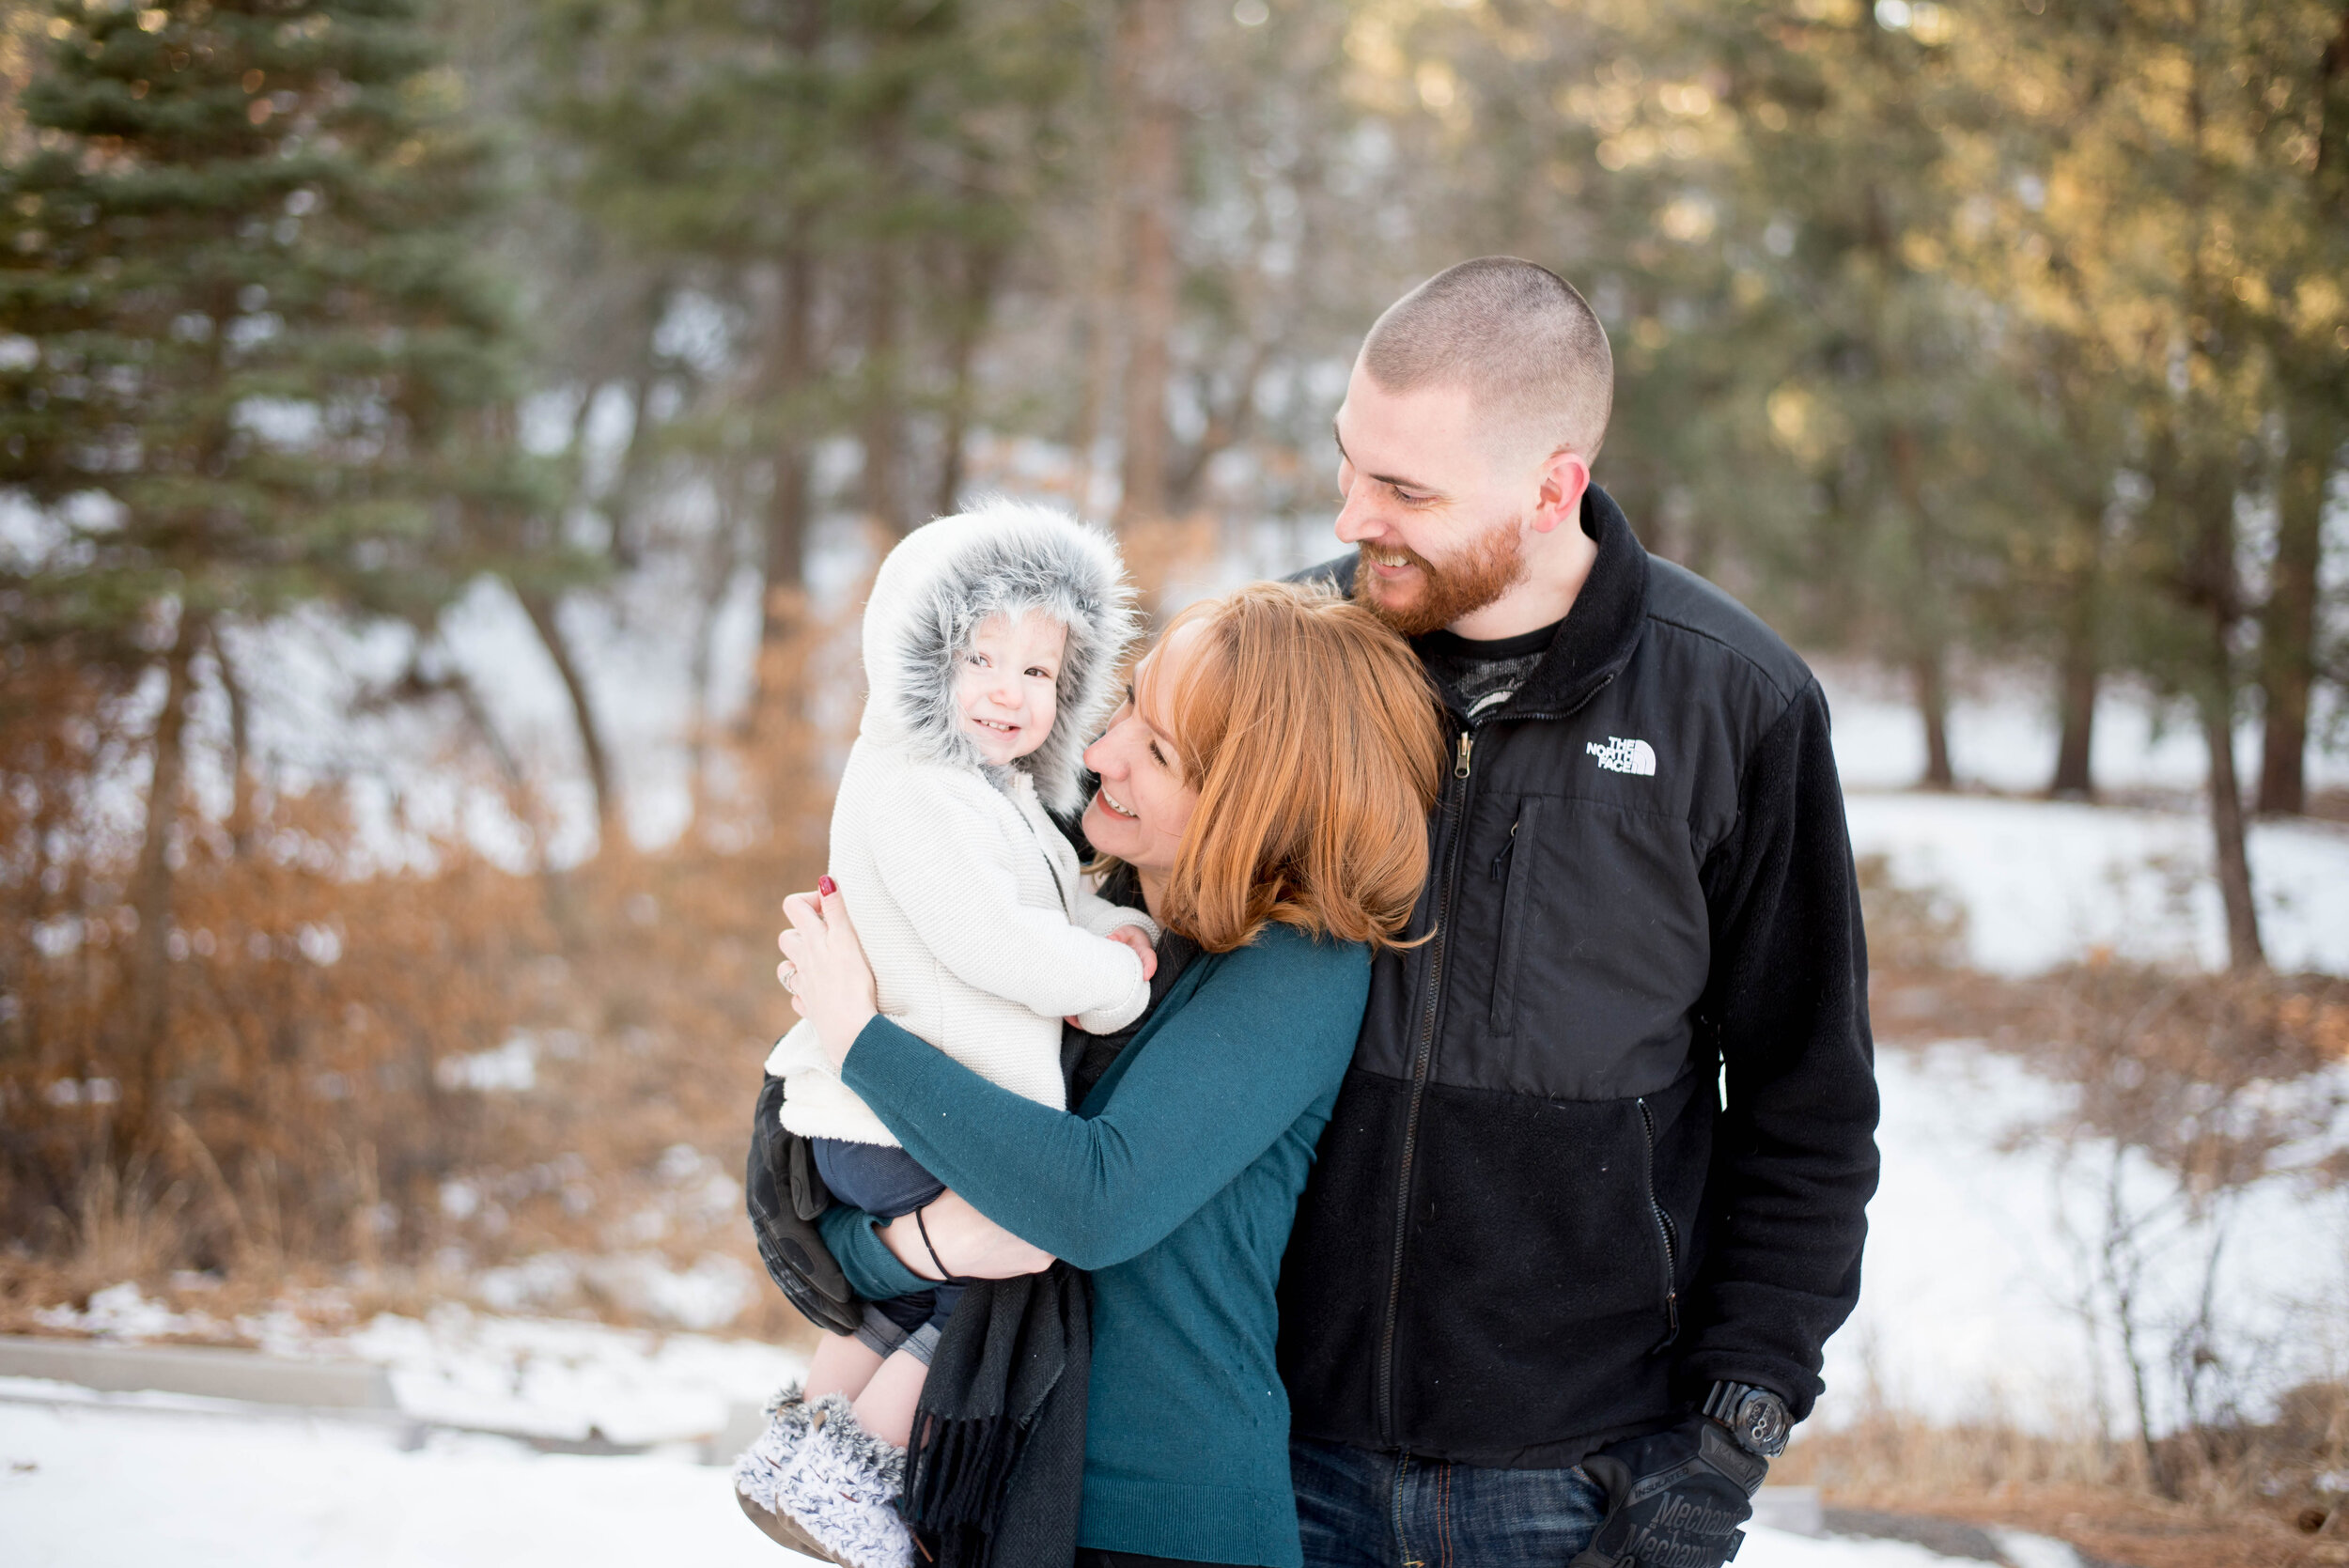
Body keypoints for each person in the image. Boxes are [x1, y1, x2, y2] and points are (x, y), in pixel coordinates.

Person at [1278, 257, 1881, 1568]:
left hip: (1575, 1483)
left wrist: (1730, 1439)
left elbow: (1808, 1105)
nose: (1353, 515)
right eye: (1350, 467)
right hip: (1274, 1450)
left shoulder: (1740, 707)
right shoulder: (1290, 661)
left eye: (1405, 490)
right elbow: (1109, 957)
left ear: (1552, 488)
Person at [773, 581, 1448, 1568]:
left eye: (1160, 752)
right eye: (1129, 703)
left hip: (1161, 1525)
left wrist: (861, 1038)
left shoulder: (1297, 968)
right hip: (976, 1492)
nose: (1099, 752)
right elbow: (832, 1203)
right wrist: (918, 1246)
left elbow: (1095, 1200)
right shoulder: (1055, 920)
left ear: (1257, 801)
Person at [737, 501, 1162, 1564]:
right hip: (900, 1115)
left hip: (896, 1105)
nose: (1011, 692)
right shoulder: (917, 790)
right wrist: (1113, 983)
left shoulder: (994, 793)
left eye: (1041, 672)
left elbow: (1049, 901)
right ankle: (855, 1468)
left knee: (930, 1283)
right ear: (917, 657)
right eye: (982, 657)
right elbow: (991, 939)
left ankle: (797, 1442)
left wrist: (1120, 926)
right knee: (999, 1269)